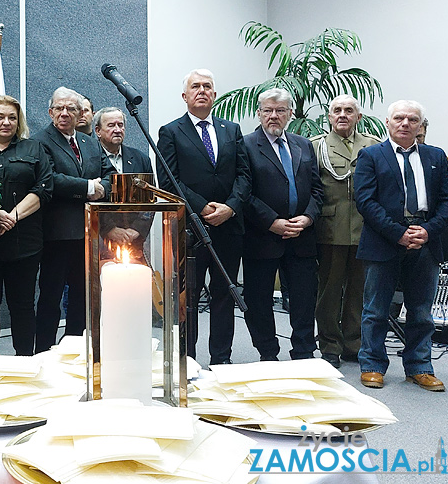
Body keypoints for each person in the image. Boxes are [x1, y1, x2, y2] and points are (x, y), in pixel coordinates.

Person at [355, 100, 448, 391]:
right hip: (384, 240)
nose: (405, 123)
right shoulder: (371, 155)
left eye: (413, 119)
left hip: (425, 240)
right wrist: (398, 233)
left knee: (421, 311)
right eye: (399, 118)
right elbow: (365, 201)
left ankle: (420, 367)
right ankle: (372, 365)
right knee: (376, 309)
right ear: (387, 122)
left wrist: (426, 231)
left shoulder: (435, 156)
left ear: (420, 126)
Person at [157, 69, 250, 365]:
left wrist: (230, 207)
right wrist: (203, 208)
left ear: (214, 94)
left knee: (225, 293)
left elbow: (244, 176)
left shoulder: (231, 130)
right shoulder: (170, 132)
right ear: (185, 96)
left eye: (207, 86)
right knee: (190, 297)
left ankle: (222, 358)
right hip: (192, 228)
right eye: (195, 86)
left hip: (229, 226)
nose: (202, 91)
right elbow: (168, 180)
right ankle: (189, 359)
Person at [241, 88, 323, 361]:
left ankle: (303, 351)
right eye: (267, 110)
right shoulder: (245, 145)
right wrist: (272, 222)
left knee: (303, 299)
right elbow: (244, 192)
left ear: (289, 114)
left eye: (279, 111)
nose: (273, 116)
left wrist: (308, 217)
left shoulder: (303, 144)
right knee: (259, 301)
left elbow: (317, 189)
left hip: (301, 237)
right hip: (262, 237)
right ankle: (268, 353)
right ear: (259, 113)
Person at [32, 87, 113, 352]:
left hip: (89, 234)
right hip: (57, 235)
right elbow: (50, 180)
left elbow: (110, 174)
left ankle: (74, 351)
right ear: (50, 112)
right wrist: (91, 188)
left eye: (71, 109)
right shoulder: (40, 141)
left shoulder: (90, 141)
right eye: (59, 108)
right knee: (50, 297)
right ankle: (43, 351)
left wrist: (103, 186)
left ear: (80, 114)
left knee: (82, 298)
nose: (65, 113)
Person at [0, 95, 53, 356]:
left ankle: (25, 361)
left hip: (25, 245)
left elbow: (44, 187)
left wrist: (12, 216)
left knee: (22, 306)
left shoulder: (34, 149)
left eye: (12, 117)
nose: (6, 122)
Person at [309, 95, 379, 367]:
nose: (342, 115)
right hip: (331, 229)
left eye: (349, 111)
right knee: (329, 290)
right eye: (336, 110)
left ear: (358, 117)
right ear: (329, 116)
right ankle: (329, 345)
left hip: (365, 229)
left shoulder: (372, 145)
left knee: (359, 290)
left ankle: (354, 344)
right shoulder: (318, 147)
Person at [93, 106, 152, 175]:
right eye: (111, 125)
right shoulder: (89, 159)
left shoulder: (141, 159)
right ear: (98, 131)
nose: (117, 130)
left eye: (120, 125)